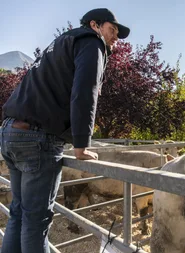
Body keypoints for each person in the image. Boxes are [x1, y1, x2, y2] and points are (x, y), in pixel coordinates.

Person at [0, 8, 130, 253]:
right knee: (35, 221)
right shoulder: (92, 44)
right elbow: (85, 92)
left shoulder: (62, 42)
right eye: (112, 30)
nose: (115, 38)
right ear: (95, 25)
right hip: (38, 139)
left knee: (18, 212)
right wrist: (81, 144)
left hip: (10, 131)